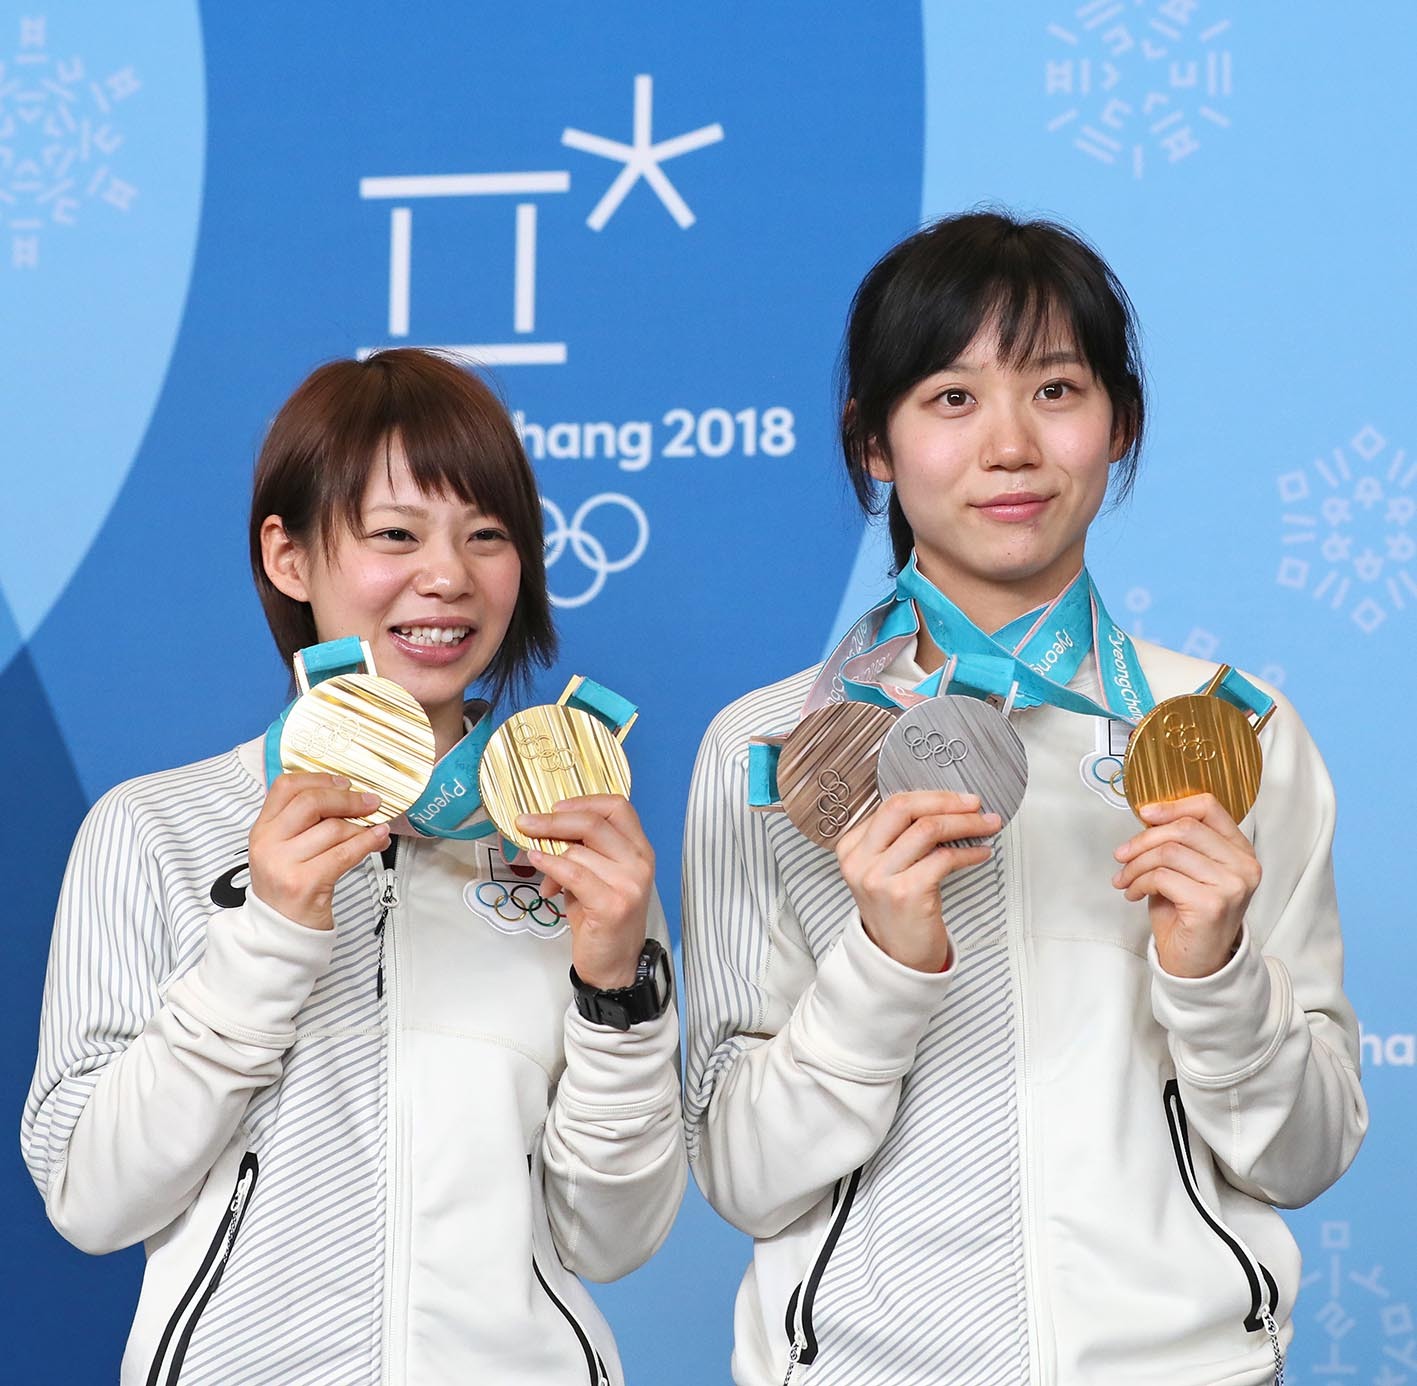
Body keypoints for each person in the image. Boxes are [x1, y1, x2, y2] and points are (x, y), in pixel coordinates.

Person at [681, 211, 1367, 1385]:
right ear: (873, 442)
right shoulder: (771, 750)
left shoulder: (1229, 735)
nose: (1009, 447)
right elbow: (744, 1177)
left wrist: (1215, 976)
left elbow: (1303, 1157)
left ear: (1120, 423)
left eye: (1055, 390)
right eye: (951, 398)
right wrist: (884, 965)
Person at [22, 348, 684, 1385]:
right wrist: (268, 938)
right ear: (288, 557)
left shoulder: (578, 849)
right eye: (395, 535)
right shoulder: (154, 829)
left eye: (487, 535)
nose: (448, 576)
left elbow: (612, 1240)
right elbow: (90, 1198)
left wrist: (616, 995)